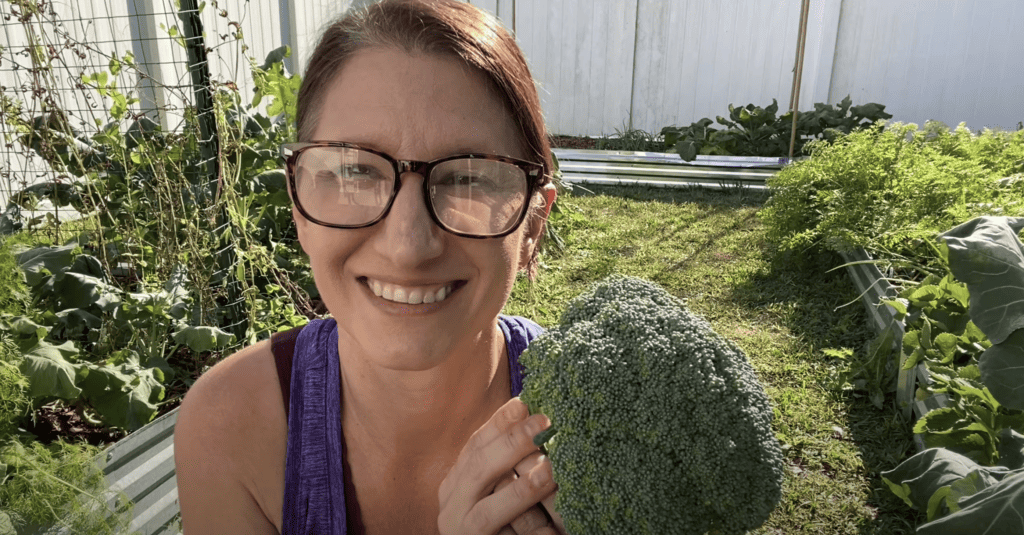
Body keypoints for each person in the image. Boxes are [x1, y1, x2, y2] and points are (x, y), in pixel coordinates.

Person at [173, 1, 564, 533]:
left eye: (468, 178)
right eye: (355, 170)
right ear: (298, 206)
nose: (409, 246)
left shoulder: (605, 428)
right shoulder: (229, 425)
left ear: (532, 226)